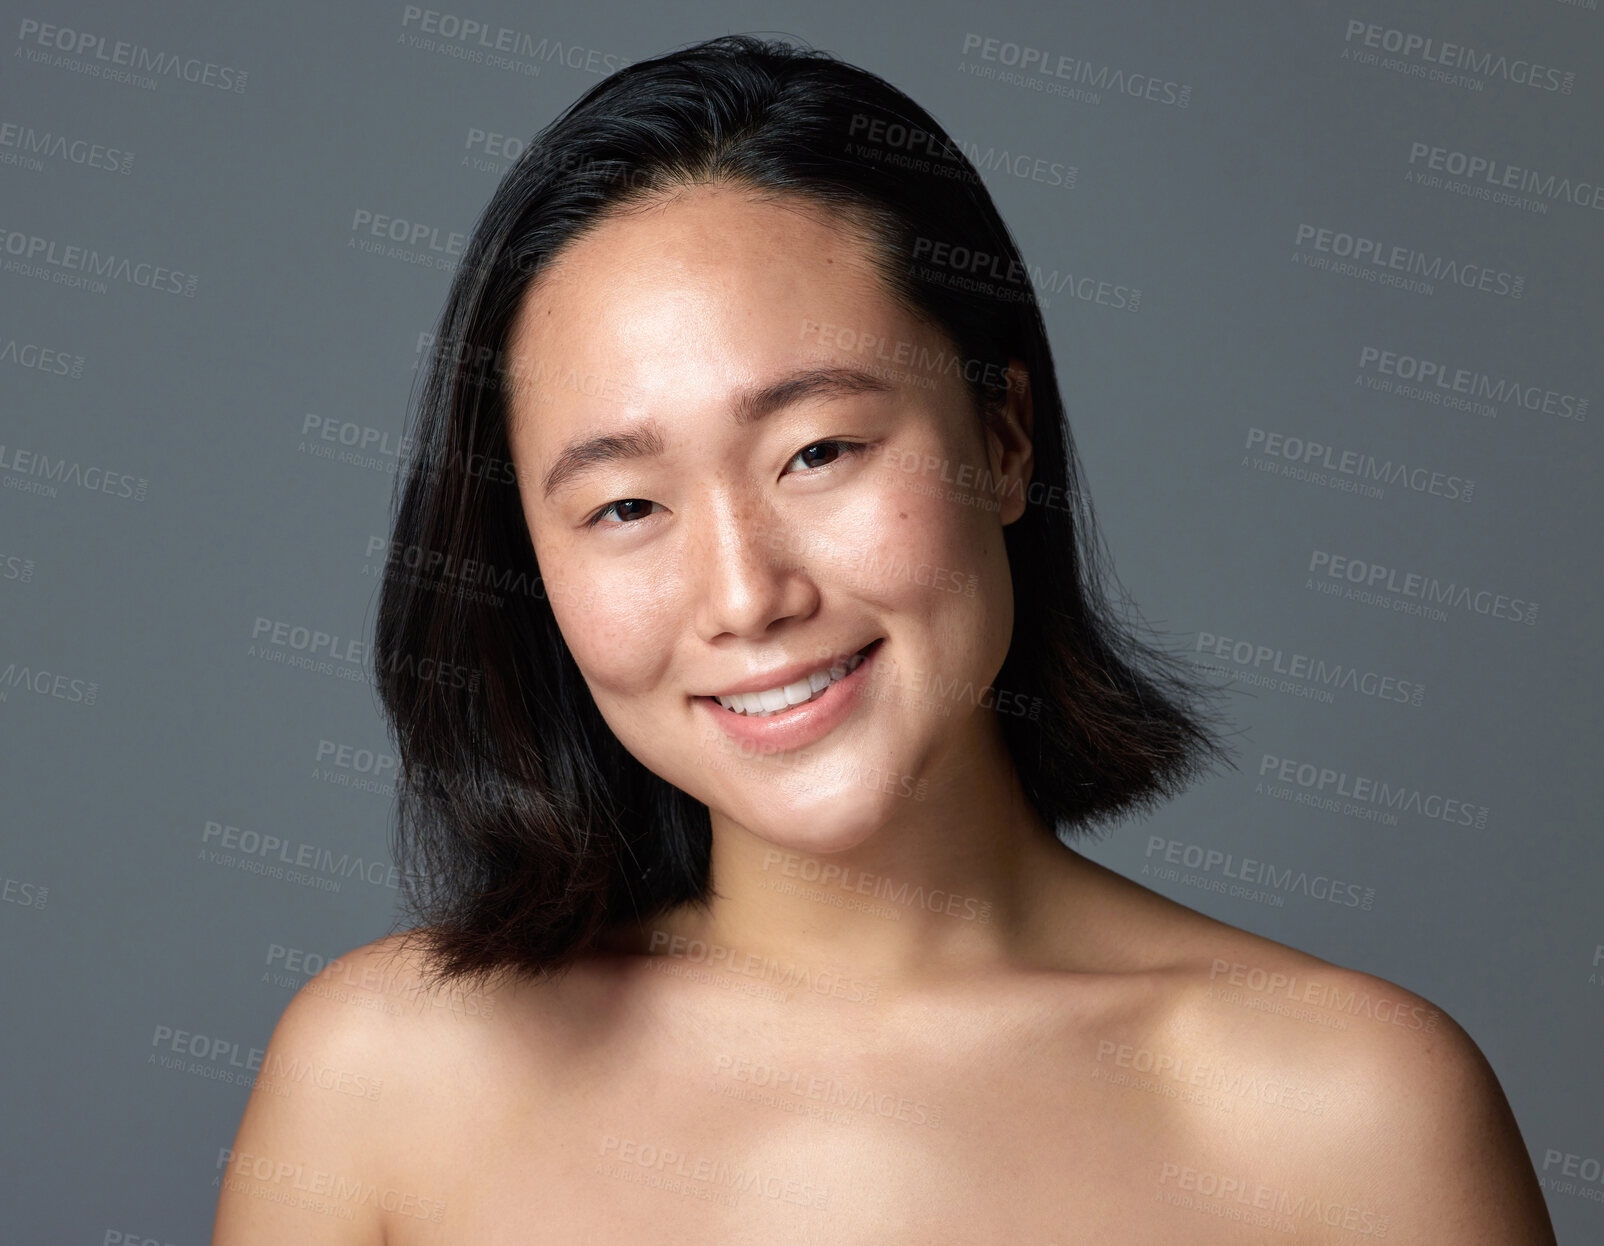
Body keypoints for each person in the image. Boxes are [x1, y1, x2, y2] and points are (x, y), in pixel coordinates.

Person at [213, 34, 1556, 1244]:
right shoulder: (380, 1079)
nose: (743, 594)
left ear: (1005, 435)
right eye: (626, 503)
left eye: (819, 451)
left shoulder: (1350, 1113)